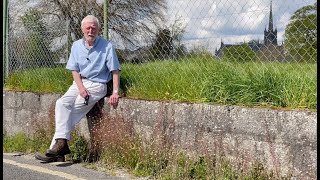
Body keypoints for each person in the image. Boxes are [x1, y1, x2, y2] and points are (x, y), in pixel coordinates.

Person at [35, 15, 120, 162]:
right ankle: (59, 150)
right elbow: (74, 70)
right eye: (88, 27)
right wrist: (80, 88)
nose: (90, 30)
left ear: (98, 29)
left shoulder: (107, 46)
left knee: (73, 111)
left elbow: (115, 70)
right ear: (82, 29)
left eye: (94, 28)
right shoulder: (76, 46)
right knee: (61, 104)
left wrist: (115, 92)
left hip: (97, 84)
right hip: (79, 83)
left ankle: (57, 151)